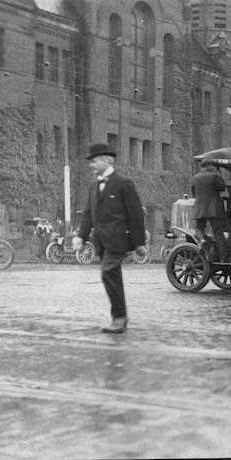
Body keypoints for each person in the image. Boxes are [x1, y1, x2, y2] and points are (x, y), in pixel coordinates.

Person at [73, 143, 146, 334]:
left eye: (95, 161)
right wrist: (80, 237)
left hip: (118, 239)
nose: (91, 165)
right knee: (113, 276)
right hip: (101, 241)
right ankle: (120, 316)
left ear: (106, 160)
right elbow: (88, 213)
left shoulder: (123, 183)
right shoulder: (94, 186)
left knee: (108, 272)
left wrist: (139, 243)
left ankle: (119, 318)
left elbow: (136, 214)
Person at [191, 159, 231, 262]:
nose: (213, 167)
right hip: (214, 209)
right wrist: (219, 174)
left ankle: (202, 240)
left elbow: (194, 193)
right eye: (212, 165)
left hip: (200, 208)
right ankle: (223, 259)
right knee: (218, 234)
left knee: (199, 228)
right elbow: (222, 187)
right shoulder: (213, 176)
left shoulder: (195, 178)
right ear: (208, 165)